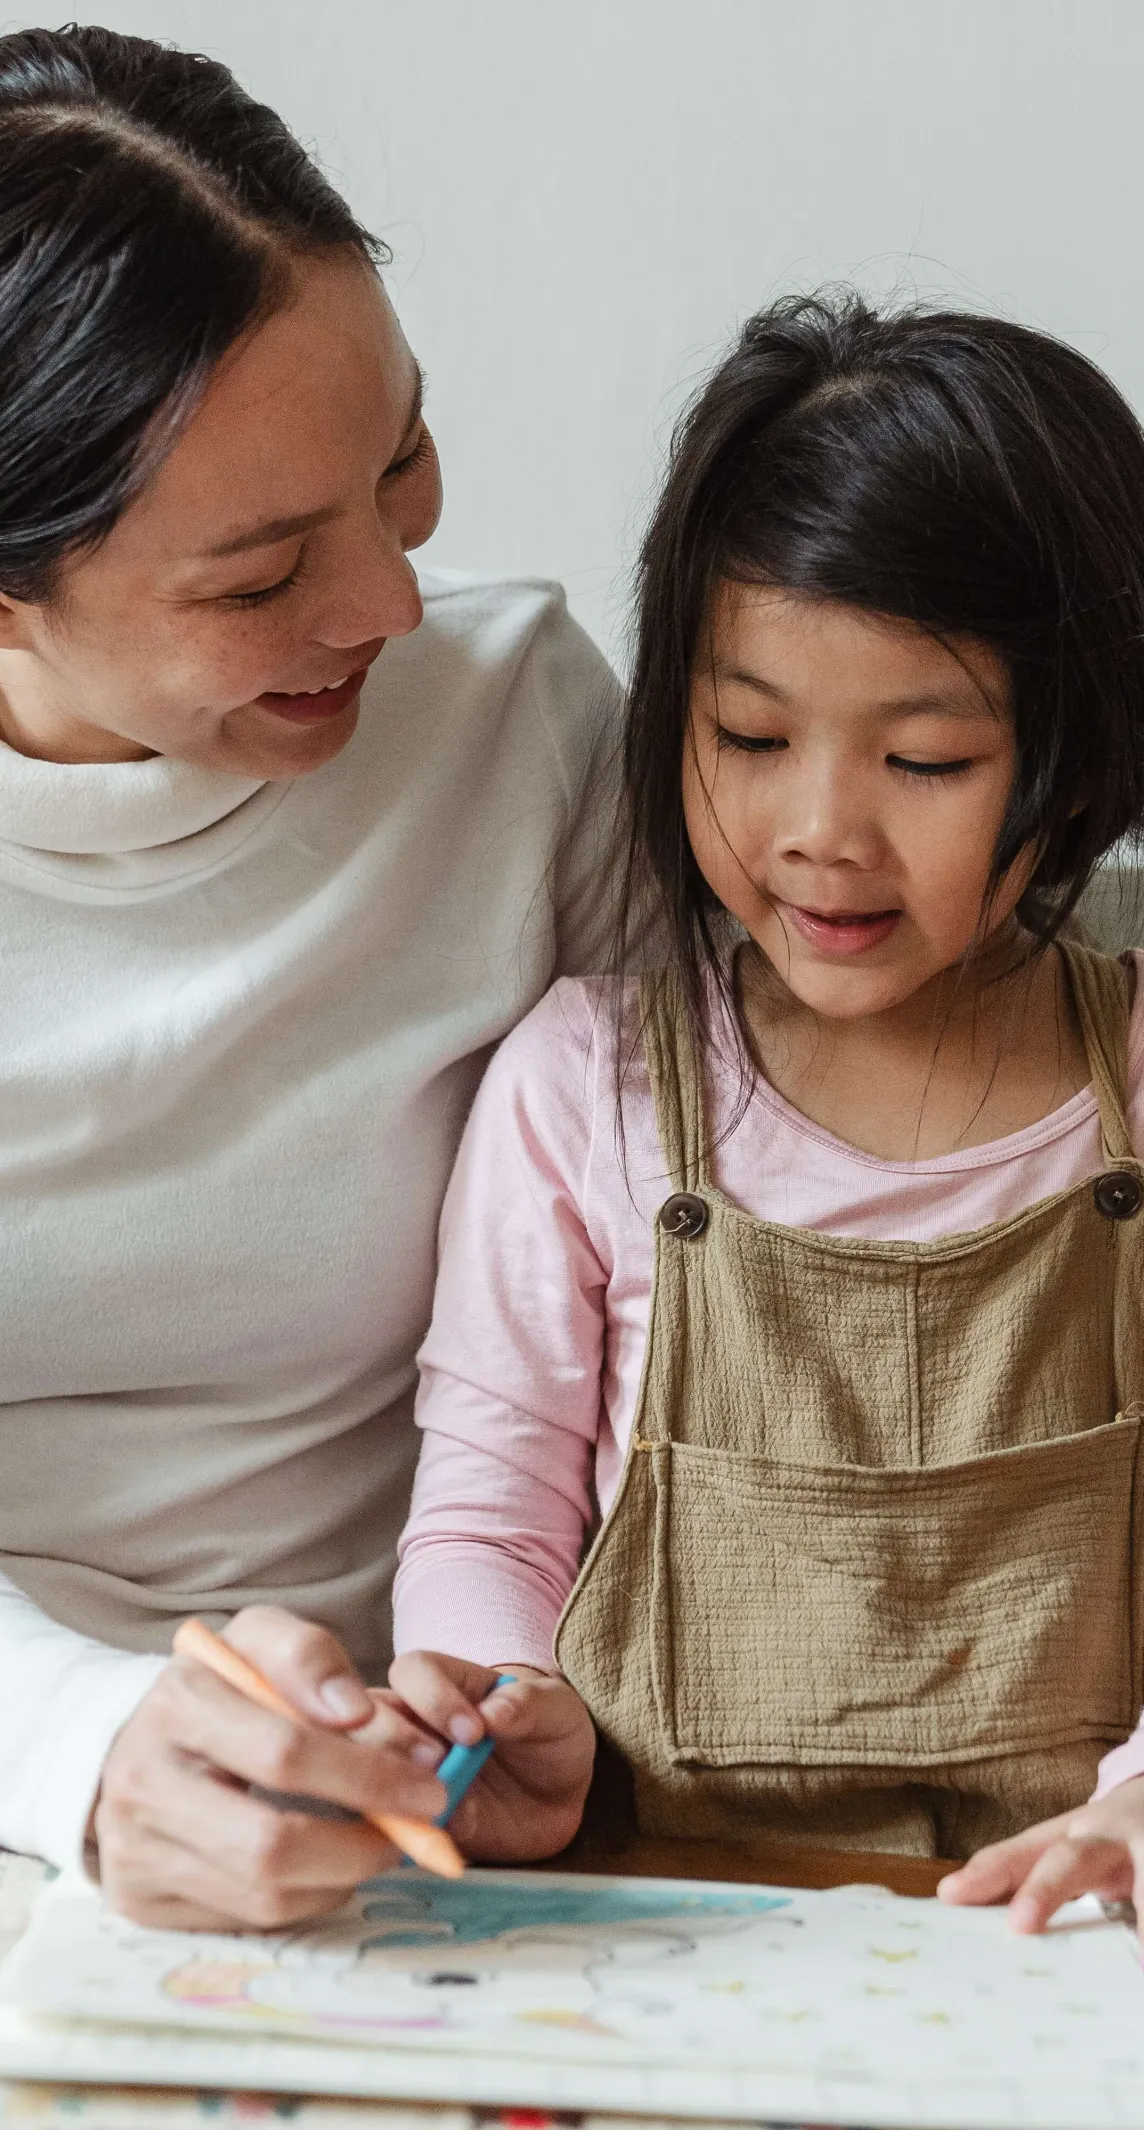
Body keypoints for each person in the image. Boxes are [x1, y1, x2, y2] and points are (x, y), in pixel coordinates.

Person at [0, 23, 621, 1931]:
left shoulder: (520, 728)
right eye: (258, 580)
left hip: (455, 1780)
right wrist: (75, 1748)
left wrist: (531, 1669)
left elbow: (699, 1292)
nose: (394, 605)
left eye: (398, 458)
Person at [388, 293, 1144, 1933]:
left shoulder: (1129, 1081)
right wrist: (494, 1694)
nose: (818, 830)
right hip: (658, 1912)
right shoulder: (582, 1087)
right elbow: (487, 1506)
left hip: (1055, 1934)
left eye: (926, 760)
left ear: (1075, 766)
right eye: (747, 734)